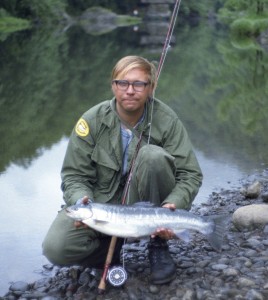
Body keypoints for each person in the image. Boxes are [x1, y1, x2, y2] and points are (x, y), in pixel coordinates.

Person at [42, 55, 203, 285]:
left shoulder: (167, 120)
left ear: (151, 87)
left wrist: (174, 205)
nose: (130, 90)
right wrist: (80, 201)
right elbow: (74, 176)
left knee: (152, 156)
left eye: (139, 84)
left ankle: (158, 244)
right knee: (55, 248)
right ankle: (110, 250)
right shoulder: (91, 121)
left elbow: (190, 174)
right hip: (101, 205)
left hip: (150, 207)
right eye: (122, 83)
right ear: (113, 85)